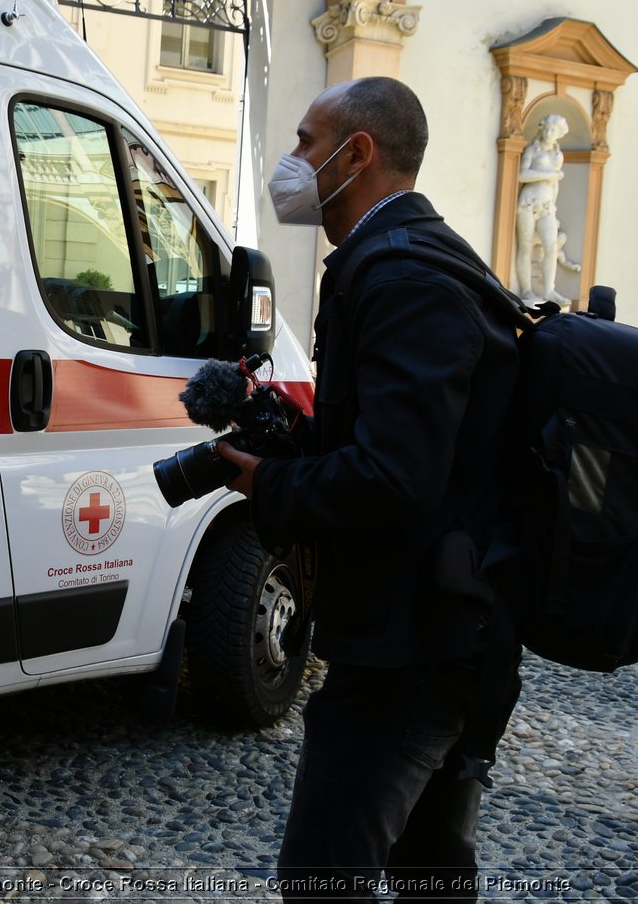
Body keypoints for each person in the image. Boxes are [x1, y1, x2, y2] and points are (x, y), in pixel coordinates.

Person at [222, 76, 521, 902]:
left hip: (415, 647)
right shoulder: (401, 259)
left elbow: (397, 476)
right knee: (432, 871)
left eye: (307, 141)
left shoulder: (403, 275)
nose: (292, 161)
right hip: (444, 625)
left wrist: (273, 483)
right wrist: (289, 433)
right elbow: (397, 441)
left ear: (359, 154)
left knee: (325, 877)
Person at [513, 113, 569, 305]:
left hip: (547, 204)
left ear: (559, 134)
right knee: (526, 246)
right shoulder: (533, 149)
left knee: (551, 247)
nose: (549, 132)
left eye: (554, 130)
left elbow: (555, 185)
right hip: (528, 201)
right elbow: (522, 175)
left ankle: (548, 291)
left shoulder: (557, 155)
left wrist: (553, 204)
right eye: (547, 128)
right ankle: (527, 290)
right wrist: (549, 174)